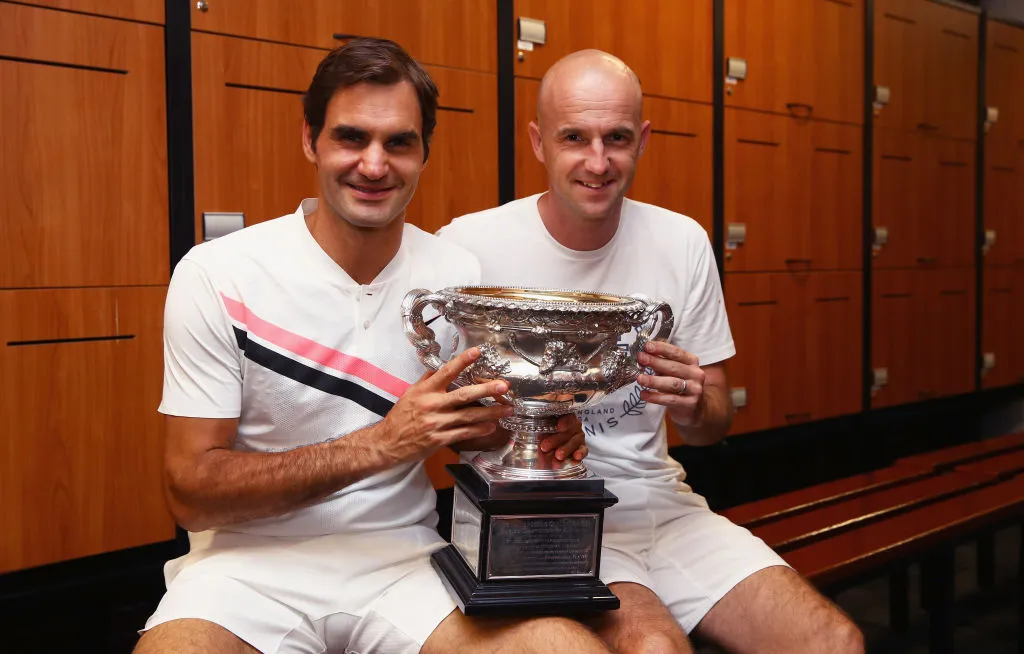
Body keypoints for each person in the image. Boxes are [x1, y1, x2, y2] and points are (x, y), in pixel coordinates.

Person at [134, 38, 604, 654]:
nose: (374, 165)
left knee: (565, 648)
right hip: (245, 570)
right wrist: (382, 444)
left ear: (423, 152)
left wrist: (532, 434)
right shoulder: (220, 272)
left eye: (399, 142)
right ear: (311, 140)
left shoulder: (455, 277)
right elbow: (189, 492)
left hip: (402, 565)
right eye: (351, 137)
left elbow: (471, 430)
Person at [438, 49, 865, 654]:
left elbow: (715, 424)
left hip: (663, 503)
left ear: (642, 140)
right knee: (656, 648)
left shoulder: (681, 240)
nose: (597, 161)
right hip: (543, 510)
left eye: (616, 138)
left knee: (835, 641)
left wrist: (695, 404)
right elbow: (446, 425)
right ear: (538, 142)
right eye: (574, 138)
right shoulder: (471, 247)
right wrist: (512, 429)